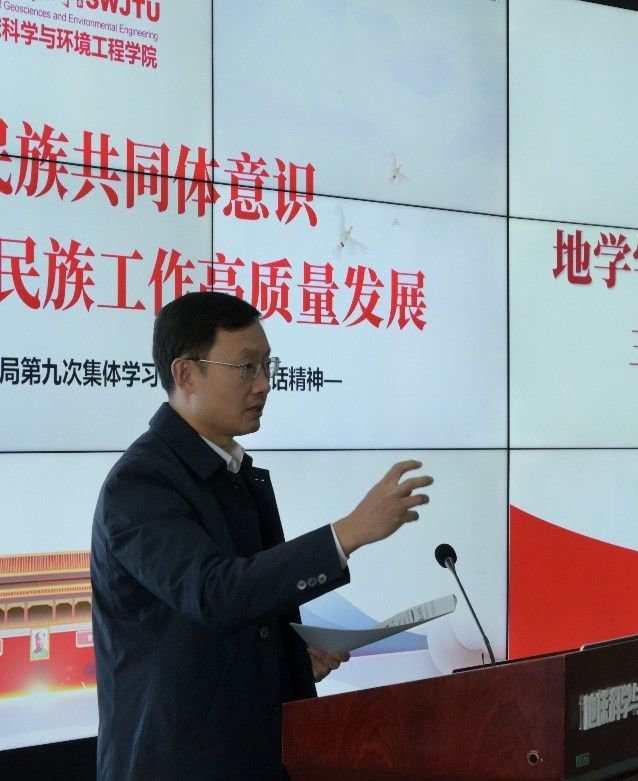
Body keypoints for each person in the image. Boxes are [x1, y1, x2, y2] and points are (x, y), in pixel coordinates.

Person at [90, 291, 432, 780]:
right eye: (246, 367)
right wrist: (347, 533)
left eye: (267, 365)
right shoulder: (141, 482)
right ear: (186, 374)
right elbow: (215, 593)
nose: (264, 384)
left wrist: (287, 661)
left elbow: (239, 613)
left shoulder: (233, 473)